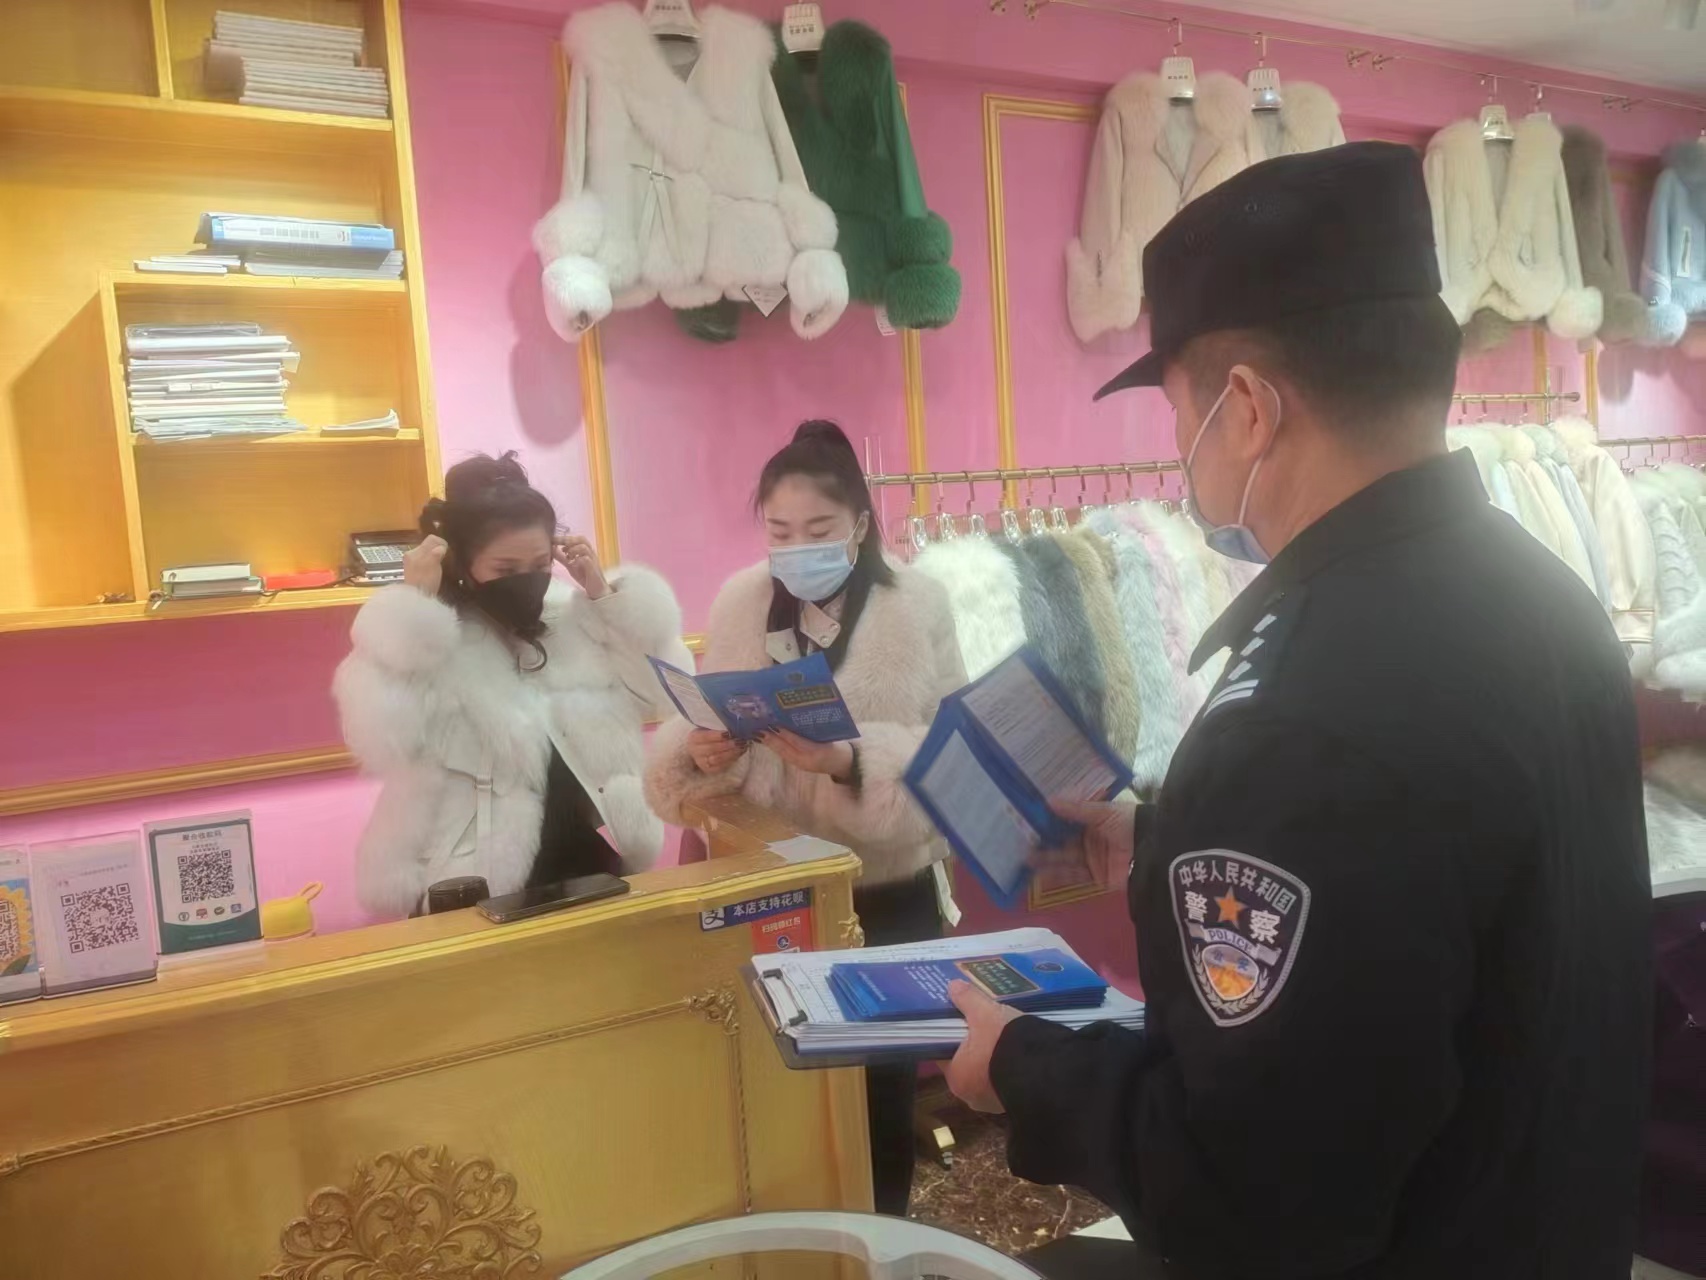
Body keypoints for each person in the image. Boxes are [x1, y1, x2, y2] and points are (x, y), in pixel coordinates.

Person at [944, 143, 1652, 1279]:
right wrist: (1169, 844)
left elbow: (1252, 1204)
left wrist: (1025, 1067)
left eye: (1178, 414)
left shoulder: (1300, 715)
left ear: (1245, 409)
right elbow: (1442, 904)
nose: (1180, 459)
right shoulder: (1540, 593)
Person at [645, 420, 966, 1215]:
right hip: (774, 889)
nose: (796, 549)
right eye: (780, 531)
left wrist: (853, 761)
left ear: (858, 524)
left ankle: (881, 1243)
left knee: (878, 1100)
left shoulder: (917, 604)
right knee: (778, 1092)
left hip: (884, 893)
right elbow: (716, 715)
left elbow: (958, 757)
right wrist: (705, 752)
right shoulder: (742, 600)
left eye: (818, 530)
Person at [335, 452, 692, 918]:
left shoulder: (574, 617)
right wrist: (413, 605)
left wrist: (604, 599)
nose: (526, 582)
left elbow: (663, 694)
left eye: (540, 564)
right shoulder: (429, 639)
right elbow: (382, 740)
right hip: (468, 877)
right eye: (505, 570)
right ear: (462, 563)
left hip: (582, 860)